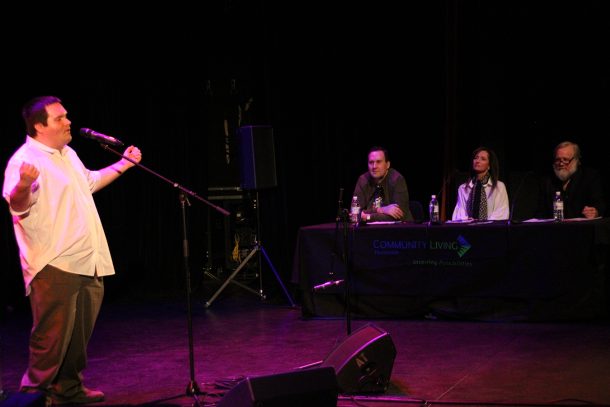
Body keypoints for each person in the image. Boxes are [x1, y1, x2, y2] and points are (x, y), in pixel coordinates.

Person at [2, 96, 142, 404]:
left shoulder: (68, 154)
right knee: (51, 337)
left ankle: (69, 388)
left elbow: (89, 182)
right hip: (56, 264)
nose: (68, 122)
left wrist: (124, 164)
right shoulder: (25, 161)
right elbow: (17, 205)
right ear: (39, 126)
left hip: (88, 259)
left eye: (67, 116)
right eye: (60, 118)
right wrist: (24, 185)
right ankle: (33, 396)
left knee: (79, 334)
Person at [537, 141, 605, 219]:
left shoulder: (589, 177)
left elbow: (600, 204)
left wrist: (595, 212)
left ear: (576, 161)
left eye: (565, 160)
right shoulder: (547, 181)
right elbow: (540, 212)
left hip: (582, 228)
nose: (561, 164)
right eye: (558, 160)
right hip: (554, 228)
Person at [353, 146, 413, 222]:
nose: (374, 166)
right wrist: (381, 209)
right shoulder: (363, 180)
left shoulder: (397, 179)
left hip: (399, 230)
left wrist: (368, 217)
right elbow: (355, 214)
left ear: (387, 165)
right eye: (371, 162)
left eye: (378, 162)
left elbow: (399, 216)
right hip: (370, 231)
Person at [452, 146, 509, 221]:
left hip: (490, 229)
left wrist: (482, 224)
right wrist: (468, 221)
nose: (477, 161)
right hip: (468, 229)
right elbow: (459, 214)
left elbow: (501, 213)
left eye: (483, 159)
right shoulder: (463, 188)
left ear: (489, 166)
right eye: (476, 158)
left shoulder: (498, 187)